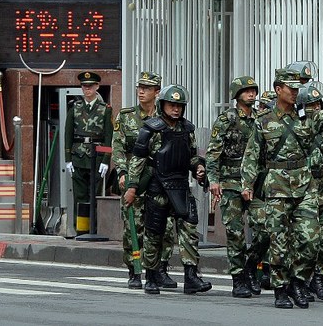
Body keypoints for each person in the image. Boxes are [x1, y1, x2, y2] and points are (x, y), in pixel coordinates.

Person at [241, 68, 323, 309]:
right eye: (290, 89)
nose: (294, 93)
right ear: (279, 90)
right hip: (277, 188)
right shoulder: (264, 122)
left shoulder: (307, 118)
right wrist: (247, 185)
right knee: (278, 241)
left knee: (311, 239)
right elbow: (251, 156)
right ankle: (281, 289)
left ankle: (299, 282)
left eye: (296, 89)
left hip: (305, 187)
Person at [126, 84, 211, 295]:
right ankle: (152, 276)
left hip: (181, 185)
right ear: (163, 104)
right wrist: (132, 187)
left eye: (179, 106)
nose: (176, 109)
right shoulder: (150, 129)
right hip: (158, 186)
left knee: (190, 230)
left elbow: (191, 155)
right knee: (154, 233)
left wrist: (199, 167)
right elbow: (138, 159)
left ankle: (191, 277)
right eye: (172, 105)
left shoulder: (188, 129)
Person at [112, 71, 177, 290]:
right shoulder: (127, 116)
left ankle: (159, 269)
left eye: (147, 88)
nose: (141, 91)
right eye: (140, 87)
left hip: (160, 178)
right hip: (134, 178)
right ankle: (134, 270)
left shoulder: (165, 117)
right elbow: (119, 148)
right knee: (134, 226)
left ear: (157, 92)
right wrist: (122, 172)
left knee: (164, 227)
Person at [206, 76, 269, 298]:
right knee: (235, 233)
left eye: (253, 90)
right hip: (230, 182)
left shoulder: (261, 119)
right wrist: (213, 180)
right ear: (237, 94)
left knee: (266, 229)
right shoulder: (227, 119)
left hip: (254, 183)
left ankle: (251, 265)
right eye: (246, 90)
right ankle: (239, 278)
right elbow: (213, 153)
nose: (251, 93)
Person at [296, 80, 323, 302]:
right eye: (310, 105)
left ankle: (319, 277)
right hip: (303, 191)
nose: (316, 109)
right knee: (308, 239)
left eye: (318, 104)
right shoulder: (296, 127)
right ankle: (301, 279)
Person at [64, 71, 113, 227]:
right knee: (80, 196)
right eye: (84, 86)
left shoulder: (105, 109)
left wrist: (106, 160)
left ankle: (94, 227)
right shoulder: (75, 108)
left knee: (95, 195)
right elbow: (68, 134)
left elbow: (108, 136)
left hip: (97, 157)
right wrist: (67, 159)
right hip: (78, 156)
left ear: (97, 86)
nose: (87, 89)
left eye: (90, 86)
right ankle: (81, 229)